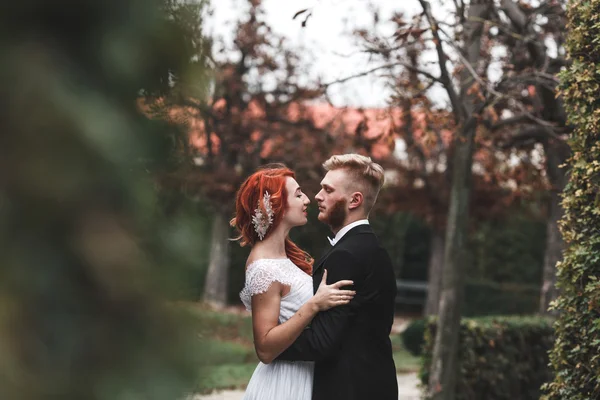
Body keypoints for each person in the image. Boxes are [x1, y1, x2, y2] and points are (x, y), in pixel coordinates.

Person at [277, 154, 398, 400]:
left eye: (328, 190)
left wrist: (270, 344)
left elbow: (322, 341)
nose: (318, 196)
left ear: (355, 200)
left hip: (348, 389)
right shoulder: (369, 247)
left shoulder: (346, 256)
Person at [233, 164, 356, 400]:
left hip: (305, 375)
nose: (307, 200)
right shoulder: (263, 267)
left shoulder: (285, 257)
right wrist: (314, 305)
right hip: (282, 384)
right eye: (298, 194)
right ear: (275, 206)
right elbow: (265, 349)